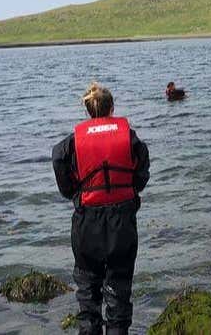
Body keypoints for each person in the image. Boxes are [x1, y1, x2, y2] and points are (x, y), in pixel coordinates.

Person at [52, 83, 150, 335]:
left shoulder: (72, 142)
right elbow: (141, 171)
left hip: (87, 225)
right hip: (122, 223)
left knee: (88, 295)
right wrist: (131, 189)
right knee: (118, 296)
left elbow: (57, 158)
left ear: (88, 111)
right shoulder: (129, 136)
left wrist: (72, 192)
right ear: (112, 108)